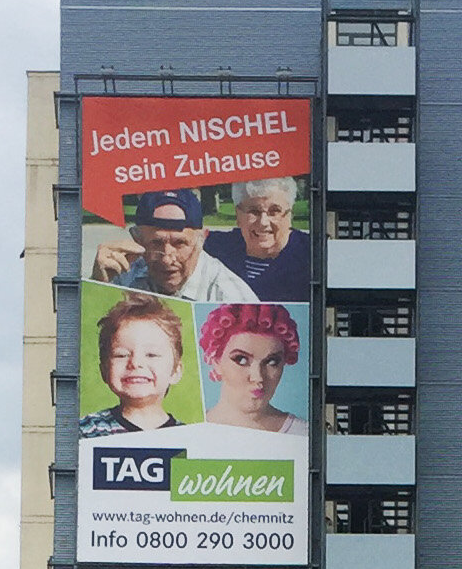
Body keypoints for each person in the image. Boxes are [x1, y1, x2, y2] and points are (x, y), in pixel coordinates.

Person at [90, 190, 257, 302]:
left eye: (180, 243)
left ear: (201, 240)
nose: (167, 258)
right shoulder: (123, 275)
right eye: (156, 243)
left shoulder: (229, 296)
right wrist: (97, 287)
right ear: (137, 240)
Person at [79, 293, 190, 437]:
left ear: (175, 371)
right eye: (122, 355)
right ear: (104, 370)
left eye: (151, 355)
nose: (135, 363)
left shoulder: (189, 437)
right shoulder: (87, 430)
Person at [198, 304, 305, 435]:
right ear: (216, 362)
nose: (258, 377)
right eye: (241, 360)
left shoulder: (303, 434)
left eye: (272, 362)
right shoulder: (189, 430)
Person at [203, 177, 310, 302]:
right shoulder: (216, 247)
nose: (263, 222)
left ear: (289, 215)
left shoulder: (309, 254)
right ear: (238, 215)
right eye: (254, 211)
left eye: (274, 211)